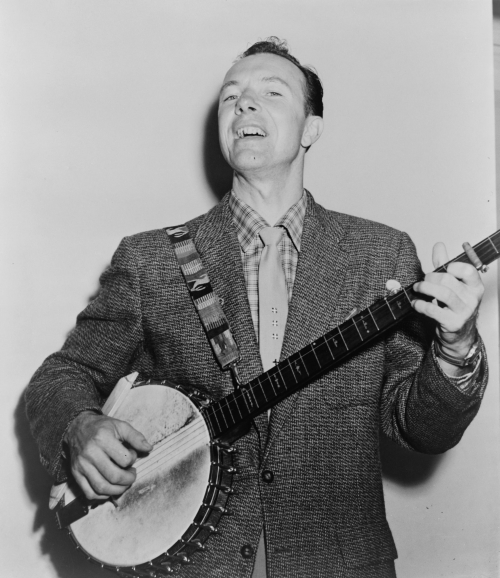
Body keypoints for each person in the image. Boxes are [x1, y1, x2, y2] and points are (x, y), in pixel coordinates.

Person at [26, 38, 487, 578]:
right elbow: (62, 375)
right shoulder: (150, 260)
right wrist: (78, 425)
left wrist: (456, 349)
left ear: (311, 128)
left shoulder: (380, 254)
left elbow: (423, 431)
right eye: (231, 96)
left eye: (271, 92)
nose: (244, 102)